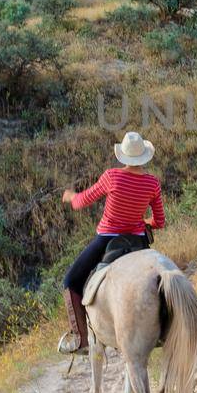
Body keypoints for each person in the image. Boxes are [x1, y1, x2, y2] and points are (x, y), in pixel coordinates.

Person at [59, 130, 164, 353]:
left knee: (70, 281)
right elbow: (160, 221)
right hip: (137, 242)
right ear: (144, 156)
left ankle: (79, 339)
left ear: (123, 156)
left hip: (107, 238)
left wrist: (70, 197)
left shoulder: (112, 176)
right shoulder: (152, 183)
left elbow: (82, 201)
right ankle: (164, 328)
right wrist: (145, 221)